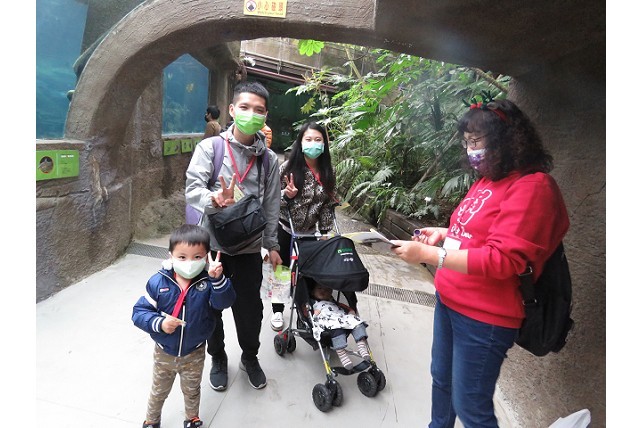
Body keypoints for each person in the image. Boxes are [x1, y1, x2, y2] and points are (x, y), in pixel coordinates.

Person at [390, 97, 569, 428]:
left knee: (470, 406)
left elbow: (504, 258)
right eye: (466, 142)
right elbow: (479, 236)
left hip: (485, 317)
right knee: (442, 380)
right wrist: (444, 233)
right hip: (449, 300)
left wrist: (429, 255)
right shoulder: (488, 180)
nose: (470, 149)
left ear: (505, 139)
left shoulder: (534, 186)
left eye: (476, 141)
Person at [185, 81, 282, 391]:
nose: (251, 114)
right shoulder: (211, 148)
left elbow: (272, 204)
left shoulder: (269, 160)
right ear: (231, 110)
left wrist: (272, 244)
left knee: (250, 311)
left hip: (248, 249)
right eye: (244, 107)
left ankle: (250, 357)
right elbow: (192, 190)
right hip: (212, 249)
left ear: (265, 116)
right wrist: (213, 198)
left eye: (258, 110)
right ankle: (218, 357)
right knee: (210, 307)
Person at [132, 224, 234, 428]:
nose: (189, 263)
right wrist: (159, 323)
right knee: (159, 391)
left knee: (192, 389)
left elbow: (224, 302)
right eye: (182, 257)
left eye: (197, 257)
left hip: (194, 352)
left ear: (206, 257)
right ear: (171, 256)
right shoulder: (158, 282)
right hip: (164, 352)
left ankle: (192, 418)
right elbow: (139, 312)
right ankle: (152, 420)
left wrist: (218, 280)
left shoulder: (207, 283)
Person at [270, 121, 337, 331]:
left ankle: (305, 308)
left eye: (318, 140)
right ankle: (278, 310)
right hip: (285, 227)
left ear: (324, 144)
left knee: (307, 270)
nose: (313, 144)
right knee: (281, 269)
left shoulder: (328, 172)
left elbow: (327, 205)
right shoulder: (287, 168)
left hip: (310, 232)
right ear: (300, 142)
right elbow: (272, 200)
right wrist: (286, 195)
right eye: (308, 139)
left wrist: (325, 232)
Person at [310, 283, 371, 370]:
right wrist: (313, 315)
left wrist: (350, 310)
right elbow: (310, 314)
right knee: (337, 329)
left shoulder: (333, 301)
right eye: (319, 288)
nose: (323, 291)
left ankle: (361, 346)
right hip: (330, 321)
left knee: (357, 323)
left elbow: (343, 306)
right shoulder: (313, 303)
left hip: (341, 317)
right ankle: (342, 354)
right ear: (312, 292)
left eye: (327, 290)